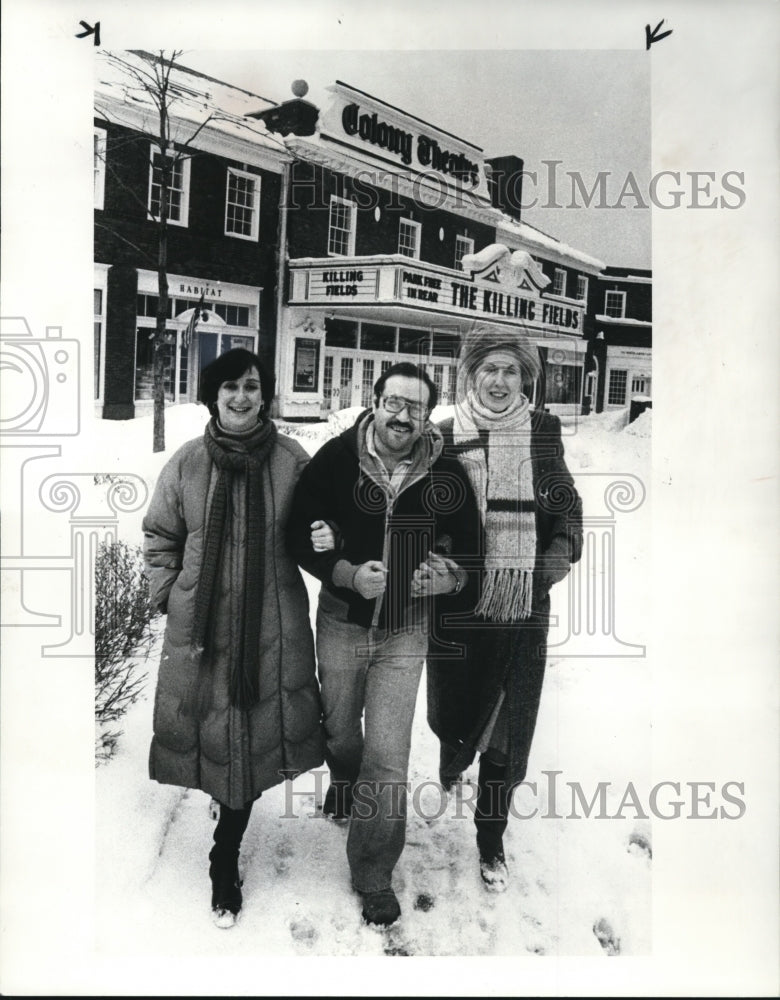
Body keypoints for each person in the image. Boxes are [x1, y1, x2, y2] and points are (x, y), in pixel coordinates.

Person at [286, 362, 481, 928]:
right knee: (341, 728)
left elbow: (469, 546)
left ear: (426, 416)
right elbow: (299, 531)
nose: (403, 415)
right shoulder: (335, 459)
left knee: (389, 757)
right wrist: (344, 571)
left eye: (415, 407)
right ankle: (343, 778)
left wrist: (449, 577)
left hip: (405, 628)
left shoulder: (444, 470)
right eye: (393, 403)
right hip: (344, 621)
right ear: (373, 402)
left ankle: (373, 873)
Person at [142, 348, 324, 928]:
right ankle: (227, 819)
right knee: (217, 727)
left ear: (265, 394)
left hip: (271, 621)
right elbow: (160, 535)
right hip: (202, 623)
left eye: (252, 386)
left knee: (251, 727)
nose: (242, 397)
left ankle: (226, 851)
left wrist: (328, 534)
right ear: (212, 395)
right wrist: (171, 593)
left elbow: (320, 526)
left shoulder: (293, 460)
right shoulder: (188, 463)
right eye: (230, 387)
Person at [426, 326, 583, 893]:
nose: (500, 380)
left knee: (508, 729)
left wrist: (557, 553)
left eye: (511, 371)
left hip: (521, 605)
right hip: (460, 603)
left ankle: (490, 837)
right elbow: (431, 514)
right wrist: (439, 563)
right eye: (490, 369)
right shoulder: (442, 435)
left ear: (526, 378)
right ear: (471, 375)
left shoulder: (543, 431)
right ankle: (453, 759)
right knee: (460, 710)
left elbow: (564, 501)